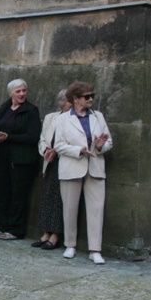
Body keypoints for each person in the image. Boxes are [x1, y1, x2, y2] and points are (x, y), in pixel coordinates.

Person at [54, 82, 113, 264]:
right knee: (70, 208)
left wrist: (101, 146)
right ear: (75, 99)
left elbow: (108, 140)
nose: (90, 99)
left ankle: (95, 249)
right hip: (72, 167)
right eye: (87, 96)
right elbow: (58, 145)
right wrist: (79, 150)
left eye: (92, 96)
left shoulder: (98, 116)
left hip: (95, 166)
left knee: (96, 209)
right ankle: (70, 245)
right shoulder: (63, 119)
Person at [0, 79, 41, 240]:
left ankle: (16, 229)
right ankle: (2, 224)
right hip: (3, 155)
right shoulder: (4, 107)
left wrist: (9, 137)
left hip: (21, 159)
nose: (22, 94)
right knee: (2, 192)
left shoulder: (31, 110)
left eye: (24, 90)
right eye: (18, 91)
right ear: (10, 93)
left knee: (18, 194)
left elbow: (33, 136)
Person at [32, 89, 71, 250]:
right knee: (48, 196)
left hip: (65, 162)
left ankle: (56, 234)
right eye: (69, 100)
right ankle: (46, 232)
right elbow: (42, 138)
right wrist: (46, 150)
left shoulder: (74, 119)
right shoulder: (51, 117)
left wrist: (58, 151)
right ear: (63, 102)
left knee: (60, 200)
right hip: (50, 162)